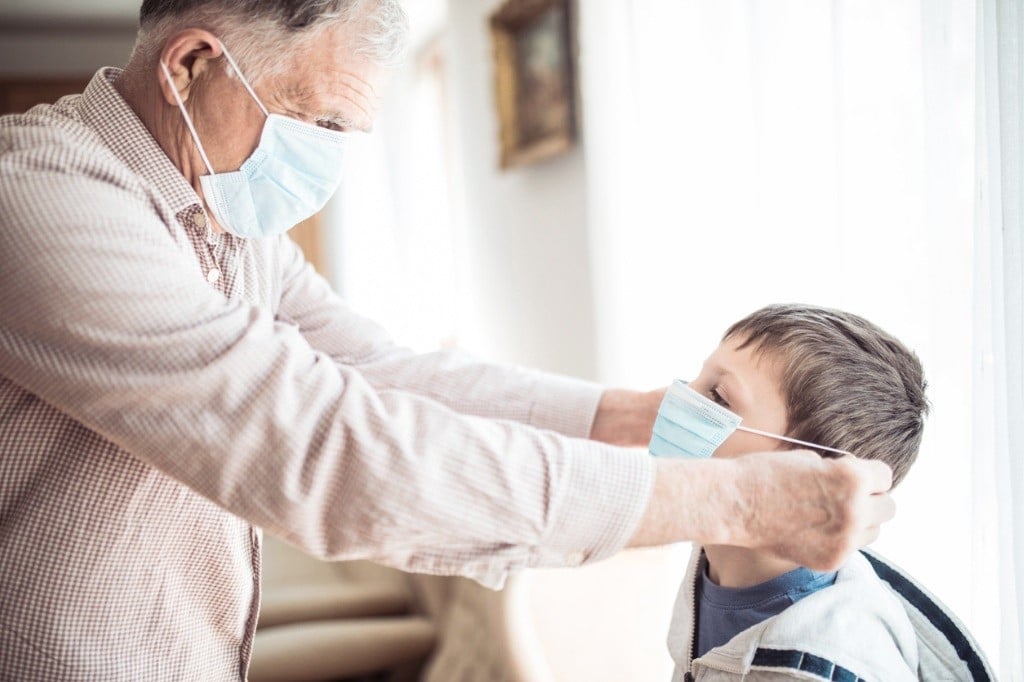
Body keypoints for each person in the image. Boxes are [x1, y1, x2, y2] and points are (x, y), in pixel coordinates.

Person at [0, 2, 894, 679]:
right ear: (193, 64)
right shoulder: (45, 200)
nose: (333, 163)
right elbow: (321, 448)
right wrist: (730, 502)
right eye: (322, 123)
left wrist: (629, 417)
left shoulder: (234, 226)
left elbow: (383, 374)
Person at [659, 304, 928, 681]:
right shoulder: (715, 553)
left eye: (718, 396)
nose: (679, 399)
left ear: (813, 479)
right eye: (697, 381)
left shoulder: (826, 664)